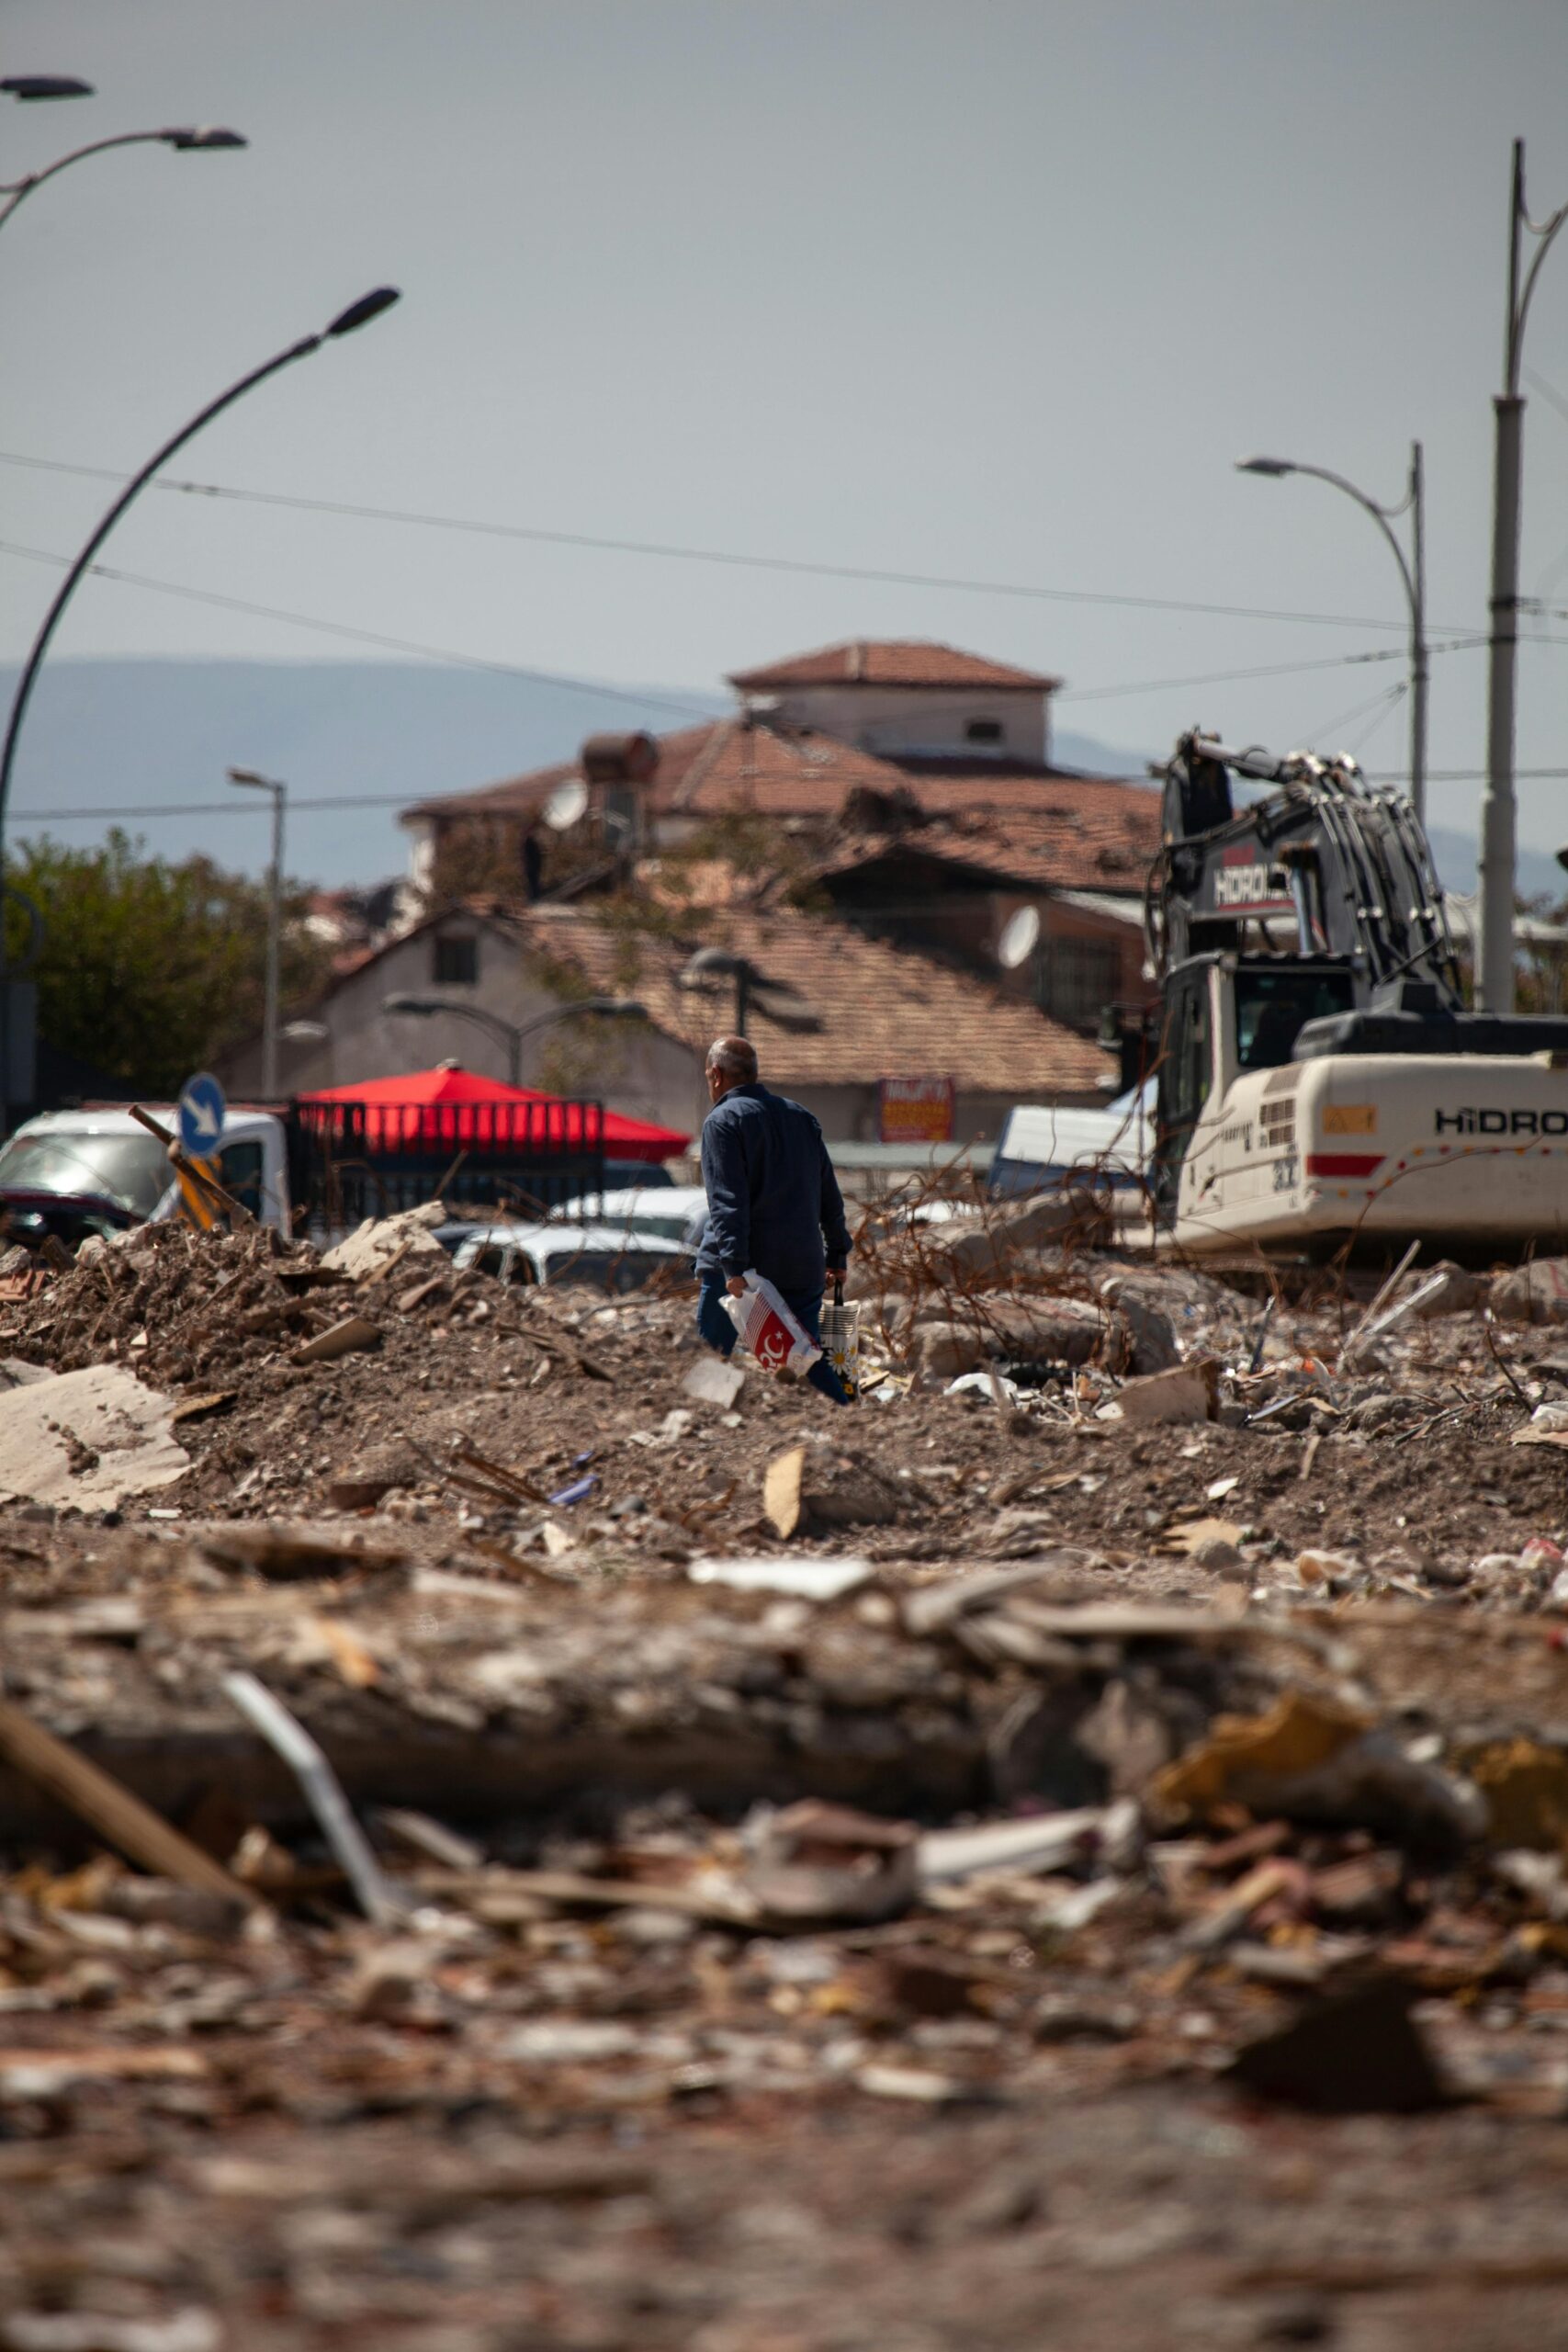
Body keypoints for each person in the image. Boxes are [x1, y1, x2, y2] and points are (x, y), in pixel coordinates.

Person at [695, 1035, 852, 1406]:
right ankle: (849, 1418)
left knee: (708, 1359)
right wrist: (837, 1254)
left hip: (744, 1271)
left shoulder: (722, 1122)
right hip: (801, 1266)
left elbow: (727, 1202)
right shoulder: (801, 1117)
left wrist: (733, 1267)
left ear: (716, 1075)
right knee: (806, 1361)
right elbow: (828, 1194)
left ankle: (704, 1428)